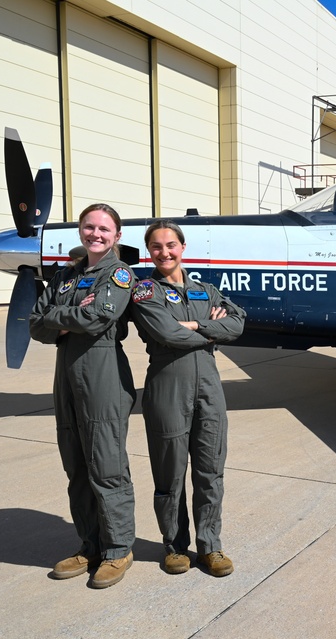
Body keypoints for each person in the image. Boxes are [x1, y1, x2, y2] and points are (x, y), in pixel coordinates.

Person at [28, 203, 137, 589]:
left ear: (117, 236)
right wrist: (68, 313)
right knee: (76, 465)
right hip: (67, 376)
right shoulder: (65, 276)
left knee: (106, 465)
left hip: (102, 373)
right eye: (89, 227)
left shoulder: (120, 274)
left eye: (104, 229)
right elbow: (35, 326)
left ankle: (118, 548)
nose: (96, 234)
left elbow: (99, 318)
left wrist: (59, 316)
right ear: (80, 231)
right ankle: (89, 544)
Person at [131, 220, 245, 576]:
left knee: (211, 470)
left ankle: (210, 546)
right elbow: (166, 334)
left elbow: (238, 323)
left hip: (209, 387)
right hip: (167, 384)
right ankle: (175, 546)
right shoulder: (144, 292)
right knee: (170, 472)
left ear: (182, 247)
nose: (164, 252)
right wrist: (212, 332)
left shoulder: (204, 289)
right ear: (149, 251)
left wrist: (196, 327)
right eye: (156, 247)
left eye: (170, 245)